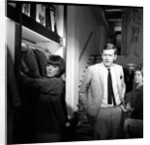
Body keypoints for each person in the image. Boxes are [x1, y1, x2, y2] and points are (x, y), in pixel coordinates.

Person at [78, 43, 126, 140]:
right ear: (102, 55)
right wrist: (88, 108)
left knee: (116, 138)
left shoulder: (119, 69)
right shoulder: (92, 69)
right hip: (100, 111)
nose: (107, 58)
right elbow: (82, 91)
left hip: (117, 111)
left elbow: (122, 85)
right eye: (105, 55)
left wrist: (121, 103)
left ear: (115, 57)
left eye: (110, 55)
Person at [21, 55, 67, 143]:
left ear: (60, 69)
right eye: (48, 65)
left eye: (54, 66)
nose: (49, 68)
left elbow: (32, 83)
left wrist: (20, 72)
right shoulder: (46, 80)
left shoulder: (57, 82)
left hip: (50, 129)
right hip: (42, 128)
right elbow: (37, 79)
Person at [124, 66, 143, 138]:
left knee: (125, 123)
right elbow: (128, 106)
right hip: (132, 117)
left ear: (143, 77)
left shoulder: (143, 90)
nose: (136, 77)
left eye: (139, 75)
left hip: (140, 119)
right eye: (135, 74)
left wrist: (132, 110)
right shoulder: (130, 93)